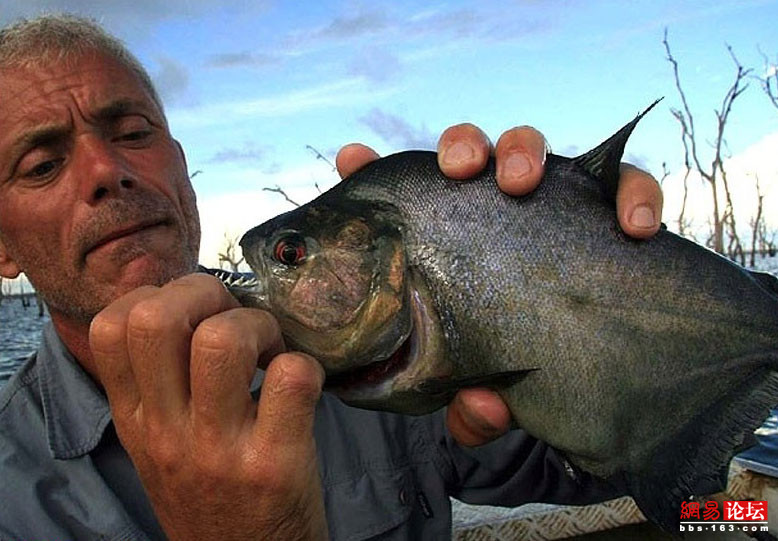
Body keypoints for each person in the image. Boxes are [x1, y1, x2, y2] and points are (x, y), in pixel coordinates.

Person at [0, 14, 663, 541]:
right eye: (41, 165)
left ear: (182, 172)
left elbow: (643, 481)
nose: (105, 171)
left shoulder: (364, 345)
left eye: (132, 133)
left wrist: (592, 282)